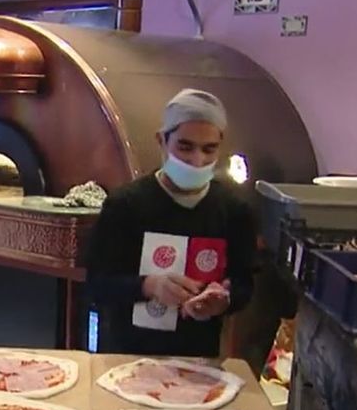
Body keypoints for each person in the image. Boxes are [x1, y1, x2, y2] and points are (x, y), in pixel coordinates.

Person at [84, 88, 257, 358]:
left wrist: (223, 299)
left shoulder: (234, 211)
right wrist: (149, 286)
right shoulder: (126, 205)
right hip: (127, 354)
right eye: (185, 147)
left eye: (209, 149)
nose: (197, 160)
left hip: (198, 358)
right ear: (162, 141)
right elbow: (97, 284)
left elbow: (244, 283)